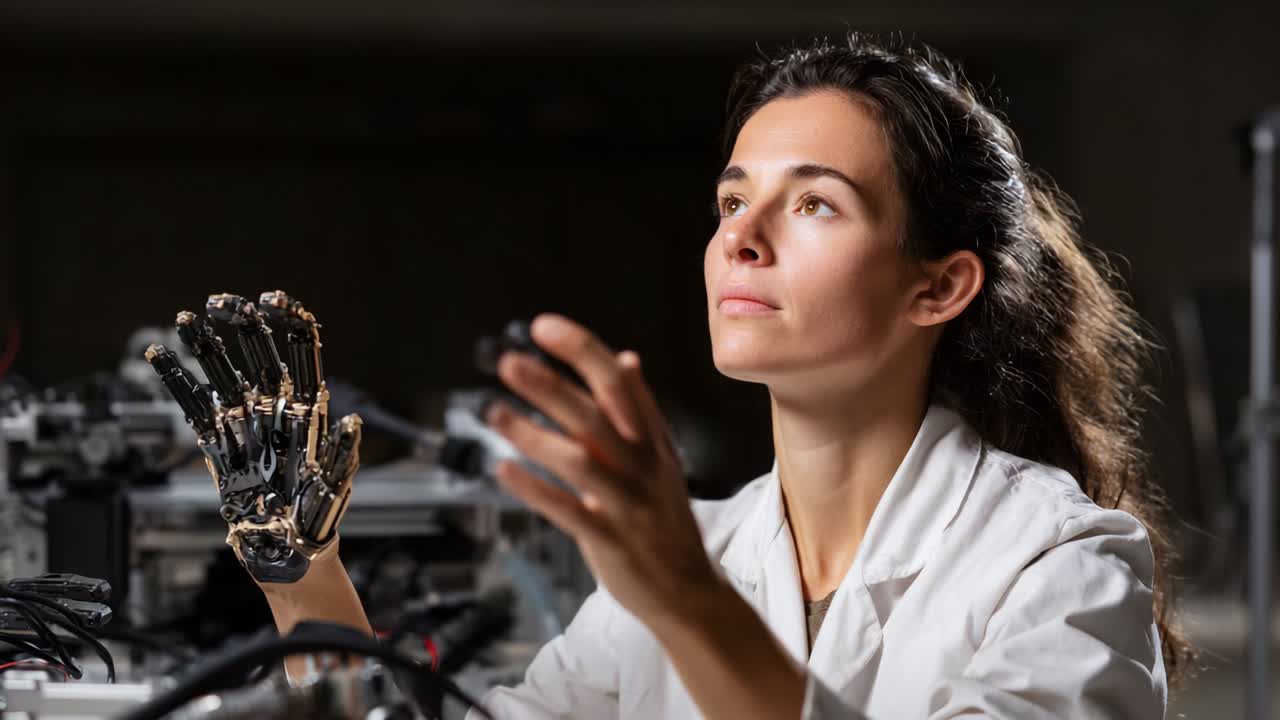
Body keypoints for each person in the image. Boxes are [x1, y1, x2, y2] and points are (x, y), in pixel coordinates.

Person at [238, 33, 1190, 718]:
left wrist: (689, 601)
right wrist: (304, 583)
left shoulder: (1060, 561)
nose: (742, 237)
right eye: (733, 201)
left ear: (937, 287)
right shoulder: (696, 550)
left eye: (814, 203)